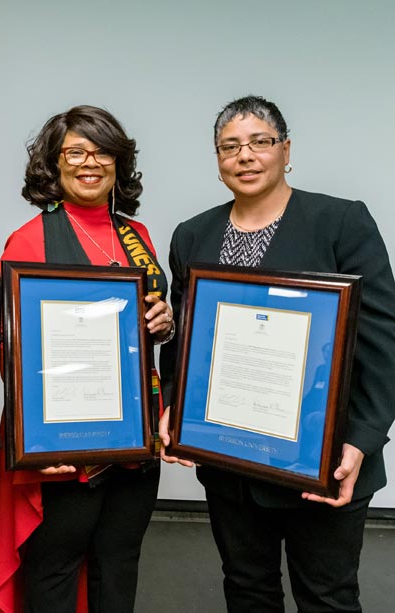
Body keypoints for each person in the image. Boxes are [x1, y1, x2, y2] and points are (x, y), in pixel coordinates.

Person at [158, 95, 395, 612]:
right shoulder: (194, 234)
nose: (245, 156)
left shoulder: (340, 222)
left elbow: (382, 339)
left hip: (323, 460)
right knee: (247, 589)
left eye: (260, 142)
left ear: (285, 150)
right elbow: (184, 339)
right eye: (229, 147)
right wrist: (174, 403)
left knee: (327, 596)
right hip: (228, 462)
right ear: (217, 160)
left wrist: (359, 442)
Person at [0, 105, 174, 613]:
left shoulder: (138, 236)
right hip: (65, 449)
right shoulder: (28, 241)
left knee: (119, 564)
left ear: (119, 161)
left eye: (101, 151)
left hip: (134, 444)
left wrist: (164, 320)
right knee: (55, 571)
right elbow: (12, 351)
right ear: (55, 162)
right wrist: (42, 441)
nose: (89, 162)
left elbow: (147, 320)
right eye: (75, 151)